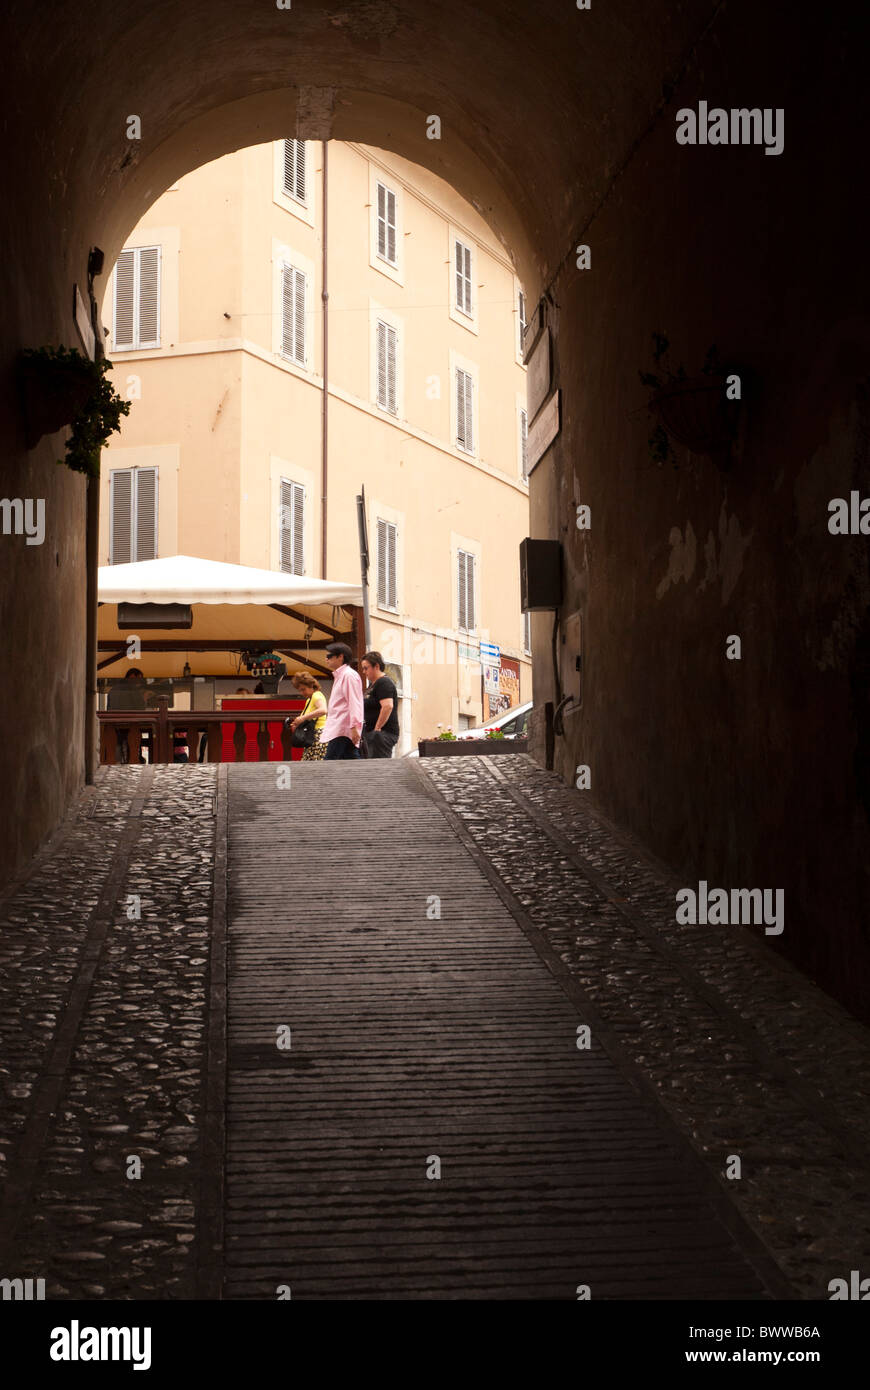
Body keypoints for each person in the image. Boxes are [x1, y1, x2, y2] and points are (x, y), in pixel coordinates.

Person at [321, 642, 364, 759]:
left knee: (330, 763)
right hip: (341, 728)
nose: (326, 659)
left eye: (329, 656)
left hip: (342, 728)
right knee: (350, 763)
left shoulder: (349, 675)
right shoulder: (342, 675)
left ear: (340, 657)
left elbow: (354, 702)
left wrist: (355, 726)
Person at [360, 650, 400, 758]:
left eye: (366, 668)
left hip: (382, 734)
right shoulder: (373, 685)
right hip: (373, 734)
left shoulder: (384, 682)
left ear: (376, 666)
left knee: (379, 768)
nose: (364, 671)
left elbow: (387, 706)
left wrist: (377, 729)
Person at [288, 670, 328, 761]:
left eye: (303, 689)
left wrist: (302, 718)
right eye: (300, 690)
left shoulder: (316, 695)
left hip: (318, 737)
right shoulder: (309, 700)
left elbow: (323, 710)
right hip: (313, 738)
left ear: (311, 686)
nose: (302, 693)